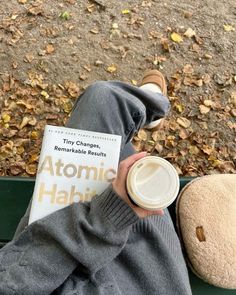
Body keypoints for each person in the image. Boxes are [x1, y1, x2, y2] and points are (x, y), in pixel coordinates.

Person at [0, 70, 192, 295]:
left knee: (103, 98)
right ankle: (150, 104)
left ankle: (152, 105)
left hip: (48, 263)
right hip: (146, 279)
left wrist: (107, 219)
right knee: (109, 108)